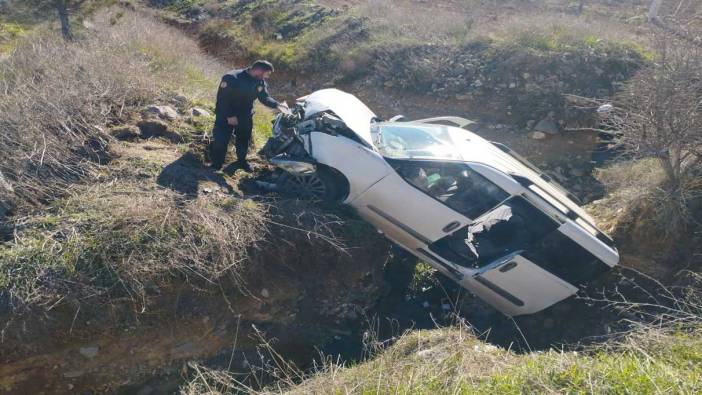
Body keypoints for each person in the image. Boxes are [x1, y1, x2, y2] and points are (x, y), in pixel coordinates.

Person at [210, 60, 288, 172]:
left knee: (243, 140)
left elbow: (264, 97)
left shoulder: (260, 82)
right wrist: (230, 116)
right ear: (259, 70)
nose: (266, 77)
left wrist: (277, 105)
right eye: (267, 74)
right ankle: (216, 165)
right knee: (221, 139)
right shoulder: (232, 77)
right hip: (226, 115)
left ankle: (241, 161)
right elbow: (222, 99)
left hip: (245, 116)